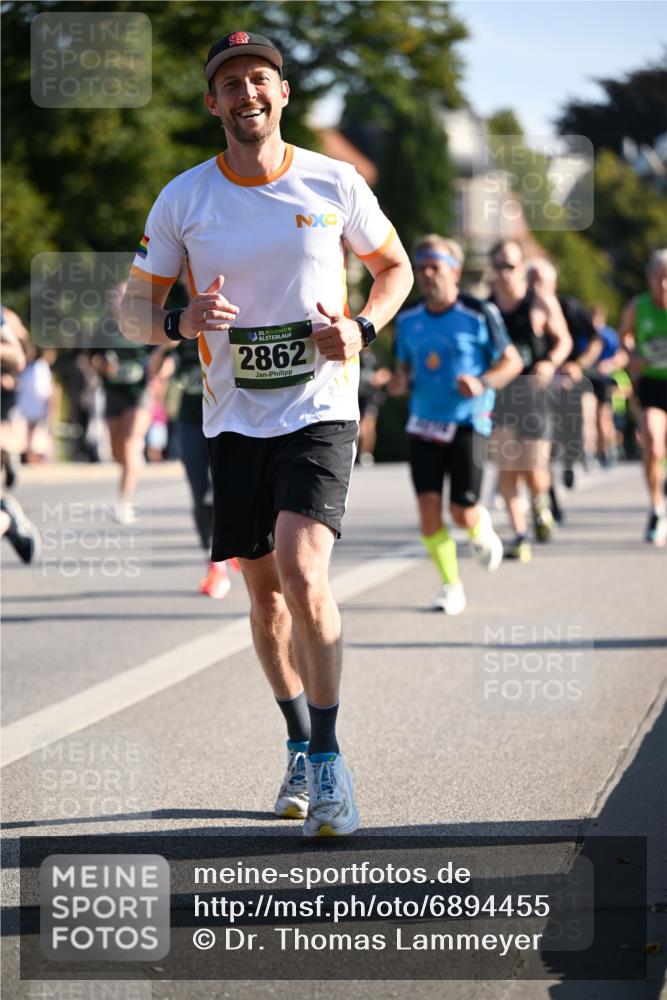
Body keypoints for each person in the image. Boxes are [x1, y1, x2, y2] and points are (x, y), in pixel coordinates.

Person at [120, 31, 412, 836]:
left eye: (259, 78)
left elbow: (395, 269)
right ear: (212, 103)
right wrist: (180, 318)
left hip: (320, 407)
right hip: (233, 415)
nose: (246, 92)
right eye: (229, 83)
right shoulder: (184, 198)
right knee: (263, 592)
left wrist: (362, 326)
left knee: (301, 564)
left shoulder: (334, 180)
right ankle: (294, 738)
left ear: (282, 93)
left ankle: (328, 762)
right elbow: (130, 310)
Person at [393, 236, 522, 614]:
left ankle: (479, 525)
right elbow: (403, 370)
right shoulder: (407, 319)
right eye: (421, 269)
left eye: (435, 267)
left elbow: (511, 362)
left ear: (455, 271)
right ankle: (451, 586)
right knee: (428, 510)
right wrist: (398, 381)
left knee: (462, 512)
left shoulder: (480, 313)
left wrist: (482, 382)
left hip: (468, 421)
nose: (427, 275)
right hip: (423, 424)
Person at [488, 241, 572, 561]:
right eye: (498, 267)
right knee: (508, 469)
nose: (504, 273)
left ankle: (540, 503)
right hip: (501, 396)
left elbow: (563, 340)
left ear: (522, 267)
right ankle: (520, 535)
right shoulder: (488, 308)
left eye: (510, 266)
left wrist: (550, 361)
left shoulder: (539, 302)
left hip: (534, 395)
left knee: (535, 470)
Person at [148, 338, 238, 598]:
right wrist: (165, 345)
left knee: (223, 489)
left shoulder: (229, 324)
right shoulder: (184, 334)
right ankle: (215, 561)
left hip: (228, 420)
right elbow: (156, 369)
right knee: (200, 493)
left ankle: (230, 548)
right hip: (191, 424)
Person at [526, 258, 602, 520]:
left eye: (540, 281)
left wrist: (579, 364)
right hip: (537, 384)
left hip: (567, 378)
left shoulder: (568, 306)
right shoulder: (522, 308)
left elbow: (595, 339)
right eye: (531, 279)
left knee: (573, 426)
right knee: (541, 446)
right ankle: (551, 500)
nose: (535, 286)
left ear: (553, 284)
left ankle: (572, 459)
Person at [91, 282, 151, 525]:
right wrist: (102, 365)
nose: (120, 300)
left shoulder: (147, 323)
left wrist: (158, 373)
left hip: (139, 394)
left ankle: (124, 503)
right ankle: (135, 461)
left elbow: (161, 356)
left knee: (128, 443)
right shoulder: (103, 328)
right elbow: (89, 358)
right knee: (118, 453)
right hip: (113, 394)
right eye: (116, 297)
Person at [620, 248, 667, 546]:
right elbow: (624, 335)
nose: (663, 285)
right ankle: (656, 508)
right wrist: (632, 352)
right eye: (658, 278)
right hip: (652, 384)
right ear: (649, 278)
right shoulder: (639, 307)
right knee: (652, 441)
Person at [588, 305, 628, 466]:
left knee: (604, 417)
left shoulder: (609, 335)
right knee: (590, 417)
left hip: (605, 380)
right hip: (589, 379)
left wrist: (609, 364)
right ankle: (593, 452)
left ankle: (608, 448)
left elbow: (622, 355)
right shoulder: (587, 334)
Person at [0, 305, 29, 487]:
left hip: (8, 385)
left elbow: (20, 358)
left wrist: (10, 378)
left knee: (5, 428)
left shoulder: (9, 317)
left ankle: (8, 453)